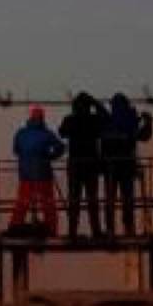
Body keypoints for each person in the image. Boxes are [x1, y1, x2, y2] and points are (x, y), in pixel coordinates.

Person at [102, 93, 153, 237]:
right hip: (127, 166)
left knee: (111, 200)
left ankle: (110, 229)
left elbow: (104, 141)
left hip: (112, 167)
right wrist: (148, 123)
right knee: (127, 199)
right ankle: (128, 228)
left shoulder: (108, 120)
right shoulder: (131, 119)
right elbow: (143, 136)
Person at [8, 106, 65, 237]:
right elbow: (61, 147)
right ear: (42, 118)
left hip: (25, 175)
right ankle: (51, 229)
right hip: (43, 173)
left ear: (30, 118)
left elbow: (16, 150)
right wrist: (50, 156)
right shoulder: (46, 134)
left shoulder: (21, 133)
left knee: (22, 203)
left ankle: (15, 226)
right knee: (48, 203)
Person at [58, 93, 108, 240]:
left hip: (75, 164)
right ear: (88, 105)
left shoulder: (70, 119)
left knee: (74, 199)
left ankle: (72, 231)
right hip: (91, 163)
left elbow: (62, 132)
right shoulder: (94, 119)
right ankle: (96, 231)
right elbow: (106, 117)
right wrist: (96, 102)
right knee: (92, 200)